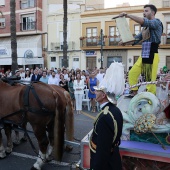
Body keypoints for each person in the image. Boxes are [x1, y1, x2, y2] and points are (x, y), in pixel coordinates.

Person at [118, 4, 163, 95]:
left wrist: (128, 15)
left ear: (153, 12)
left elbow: (144, 22)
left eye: (146, 11)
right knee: (132, 74)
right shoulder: (145, 29)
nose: (144, 13)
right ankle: (134, 93)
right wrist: (124, 42)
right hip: (144, 54)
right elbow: (135, 40)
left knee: (150, 81)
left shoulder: (157, 22)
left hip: (152, 54)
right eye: (143, 11)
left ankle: (151, 103)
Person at [89, 62, 125, 170]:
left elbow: (102, 149)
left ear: (103, 95)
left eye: (97, 90)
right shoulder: (116, 110)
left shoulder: (105, 116)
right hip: (113, 157)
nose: (95, 92)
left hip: (106, 163)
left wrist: (96, 167)